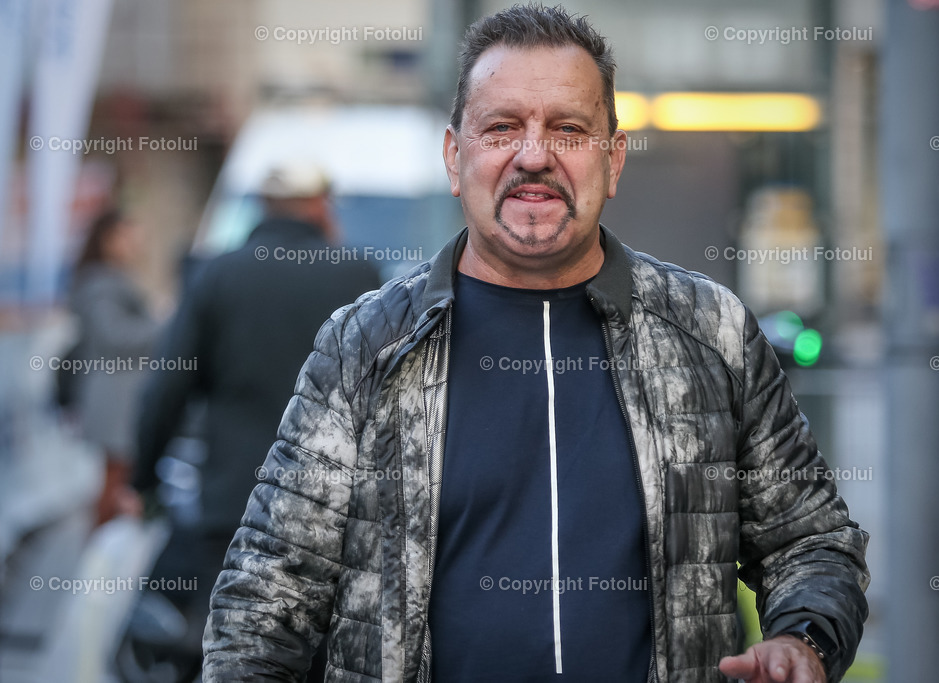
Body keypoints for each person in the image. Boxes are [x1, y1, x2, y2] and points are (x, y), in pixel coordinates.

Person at [203, 6, 869, 683]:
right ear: (454, 157)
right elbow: (266, 599)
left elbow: (811, 539)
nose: (533, 155)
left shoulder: (711, 330)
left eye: (568, 129)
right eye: (502, 128)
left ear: (613, 159)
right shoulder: (366, 346)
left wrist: (804, 638)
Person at [132, 162, 380, 678]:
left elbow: (168, 387)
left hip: (234, 505)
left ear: (264, 205)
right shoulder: (357, 274)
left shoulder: (218, 273)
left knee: (231, 652)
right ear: (320, 205)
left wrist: (142, 479)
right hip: (335, 507)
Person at [68, 209, 158, 525]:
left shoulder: (110, 280)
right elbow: (115, 337)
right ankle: (98, 549)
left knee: (116, 480)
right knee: (114, 482)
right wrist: (164, 325)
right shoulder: (101, 283)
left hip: (119, 396)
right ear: (108, 240)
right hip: (115, 398)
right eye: (128, 237)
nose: (136, 245)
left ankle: (101, 545)